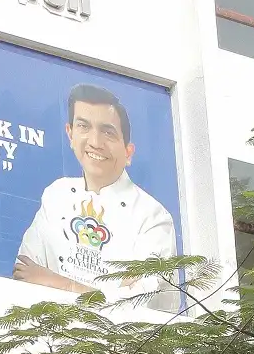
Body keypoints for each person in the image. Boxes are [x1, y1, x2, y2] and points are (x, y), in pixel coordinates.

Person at [14, 84, 177, 304]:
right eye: (83, 126)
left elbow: (141, 302)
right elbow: (24, 274)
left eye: (108, 132)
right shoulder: (56, 195)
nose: (95, 142)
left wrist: (60, 283)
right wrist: (113, 291)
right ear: (70, 135)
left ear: (128, 152)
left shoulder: (152, 217)